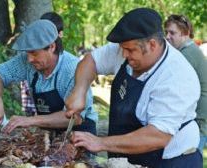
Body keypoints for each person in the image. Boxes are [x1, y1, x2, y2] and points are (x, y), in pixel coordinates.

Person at [65, 8, 202, 167]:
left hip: (170, 161)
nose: (123, 54)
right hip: (127, 157)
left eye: (130, 50)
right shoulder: (126, 48)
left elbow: (158, 136)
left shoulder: (177, 76)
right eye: (123, 48)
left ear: (152, 44)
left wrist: (100, 142)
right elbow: (90, 61)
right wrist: (79, 91)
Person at [0, 19, 98, 136]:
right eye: (27, 53)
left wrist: (30, 120)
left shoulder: (72, 69)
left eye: (34, 53)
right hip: (49, 133)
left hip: (80, 132)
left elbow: (75, 117)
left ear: (52, 47)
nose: (29, 59)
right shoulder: (27, 61)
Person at [164, 14, 207, 153]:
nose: (167, 36)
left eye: (172, 33)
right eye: (166, 32)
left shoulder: (188, 53)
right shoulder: (187, 51)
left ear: (186, 34)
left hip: (197, 121)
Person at [20, 12, 65, 116]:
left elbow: (73, 116)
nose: (29, 59)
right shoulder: (30, 62)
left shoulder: (70, 67)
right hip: (42, 126)